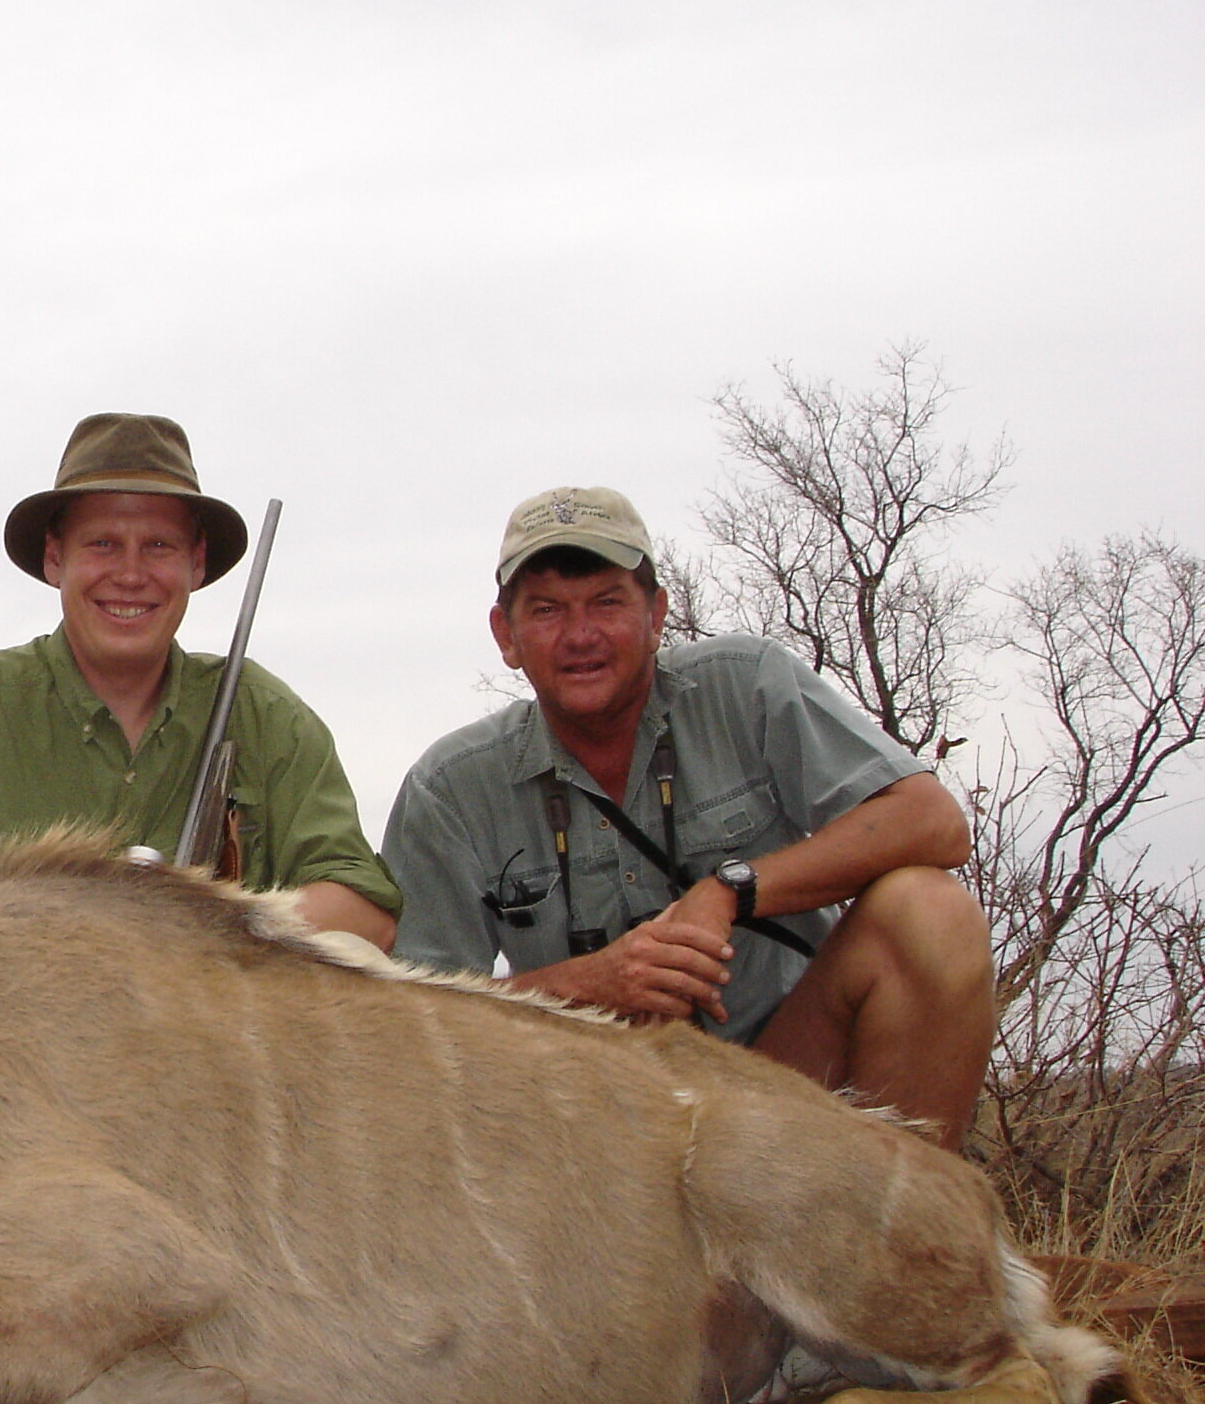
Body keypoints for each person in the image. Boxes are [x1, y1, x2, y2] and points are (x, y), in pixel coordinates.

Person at [383, 485, 992, 1144]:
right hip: (593, 1132)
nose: (580, 635)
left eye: (607, 603)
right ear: (507, 636)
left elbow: (933, 822)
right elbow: (409, 1026)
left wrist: (729, 890)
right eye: (548, 610)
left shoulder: (747, 683)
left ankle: (904, 1234)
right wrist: (587, 986)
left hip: (789, 1079)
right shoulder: (449, 788)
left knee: (930, 911)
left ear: (657, 616)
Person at [0, 412, 398, 944]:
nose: (131, 575)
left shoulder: (265, 713)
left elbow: (365, 916)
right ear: (55, 558)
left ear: (196, 564)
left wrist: (202, 928)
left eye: (159, 546)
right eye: (102, 543)